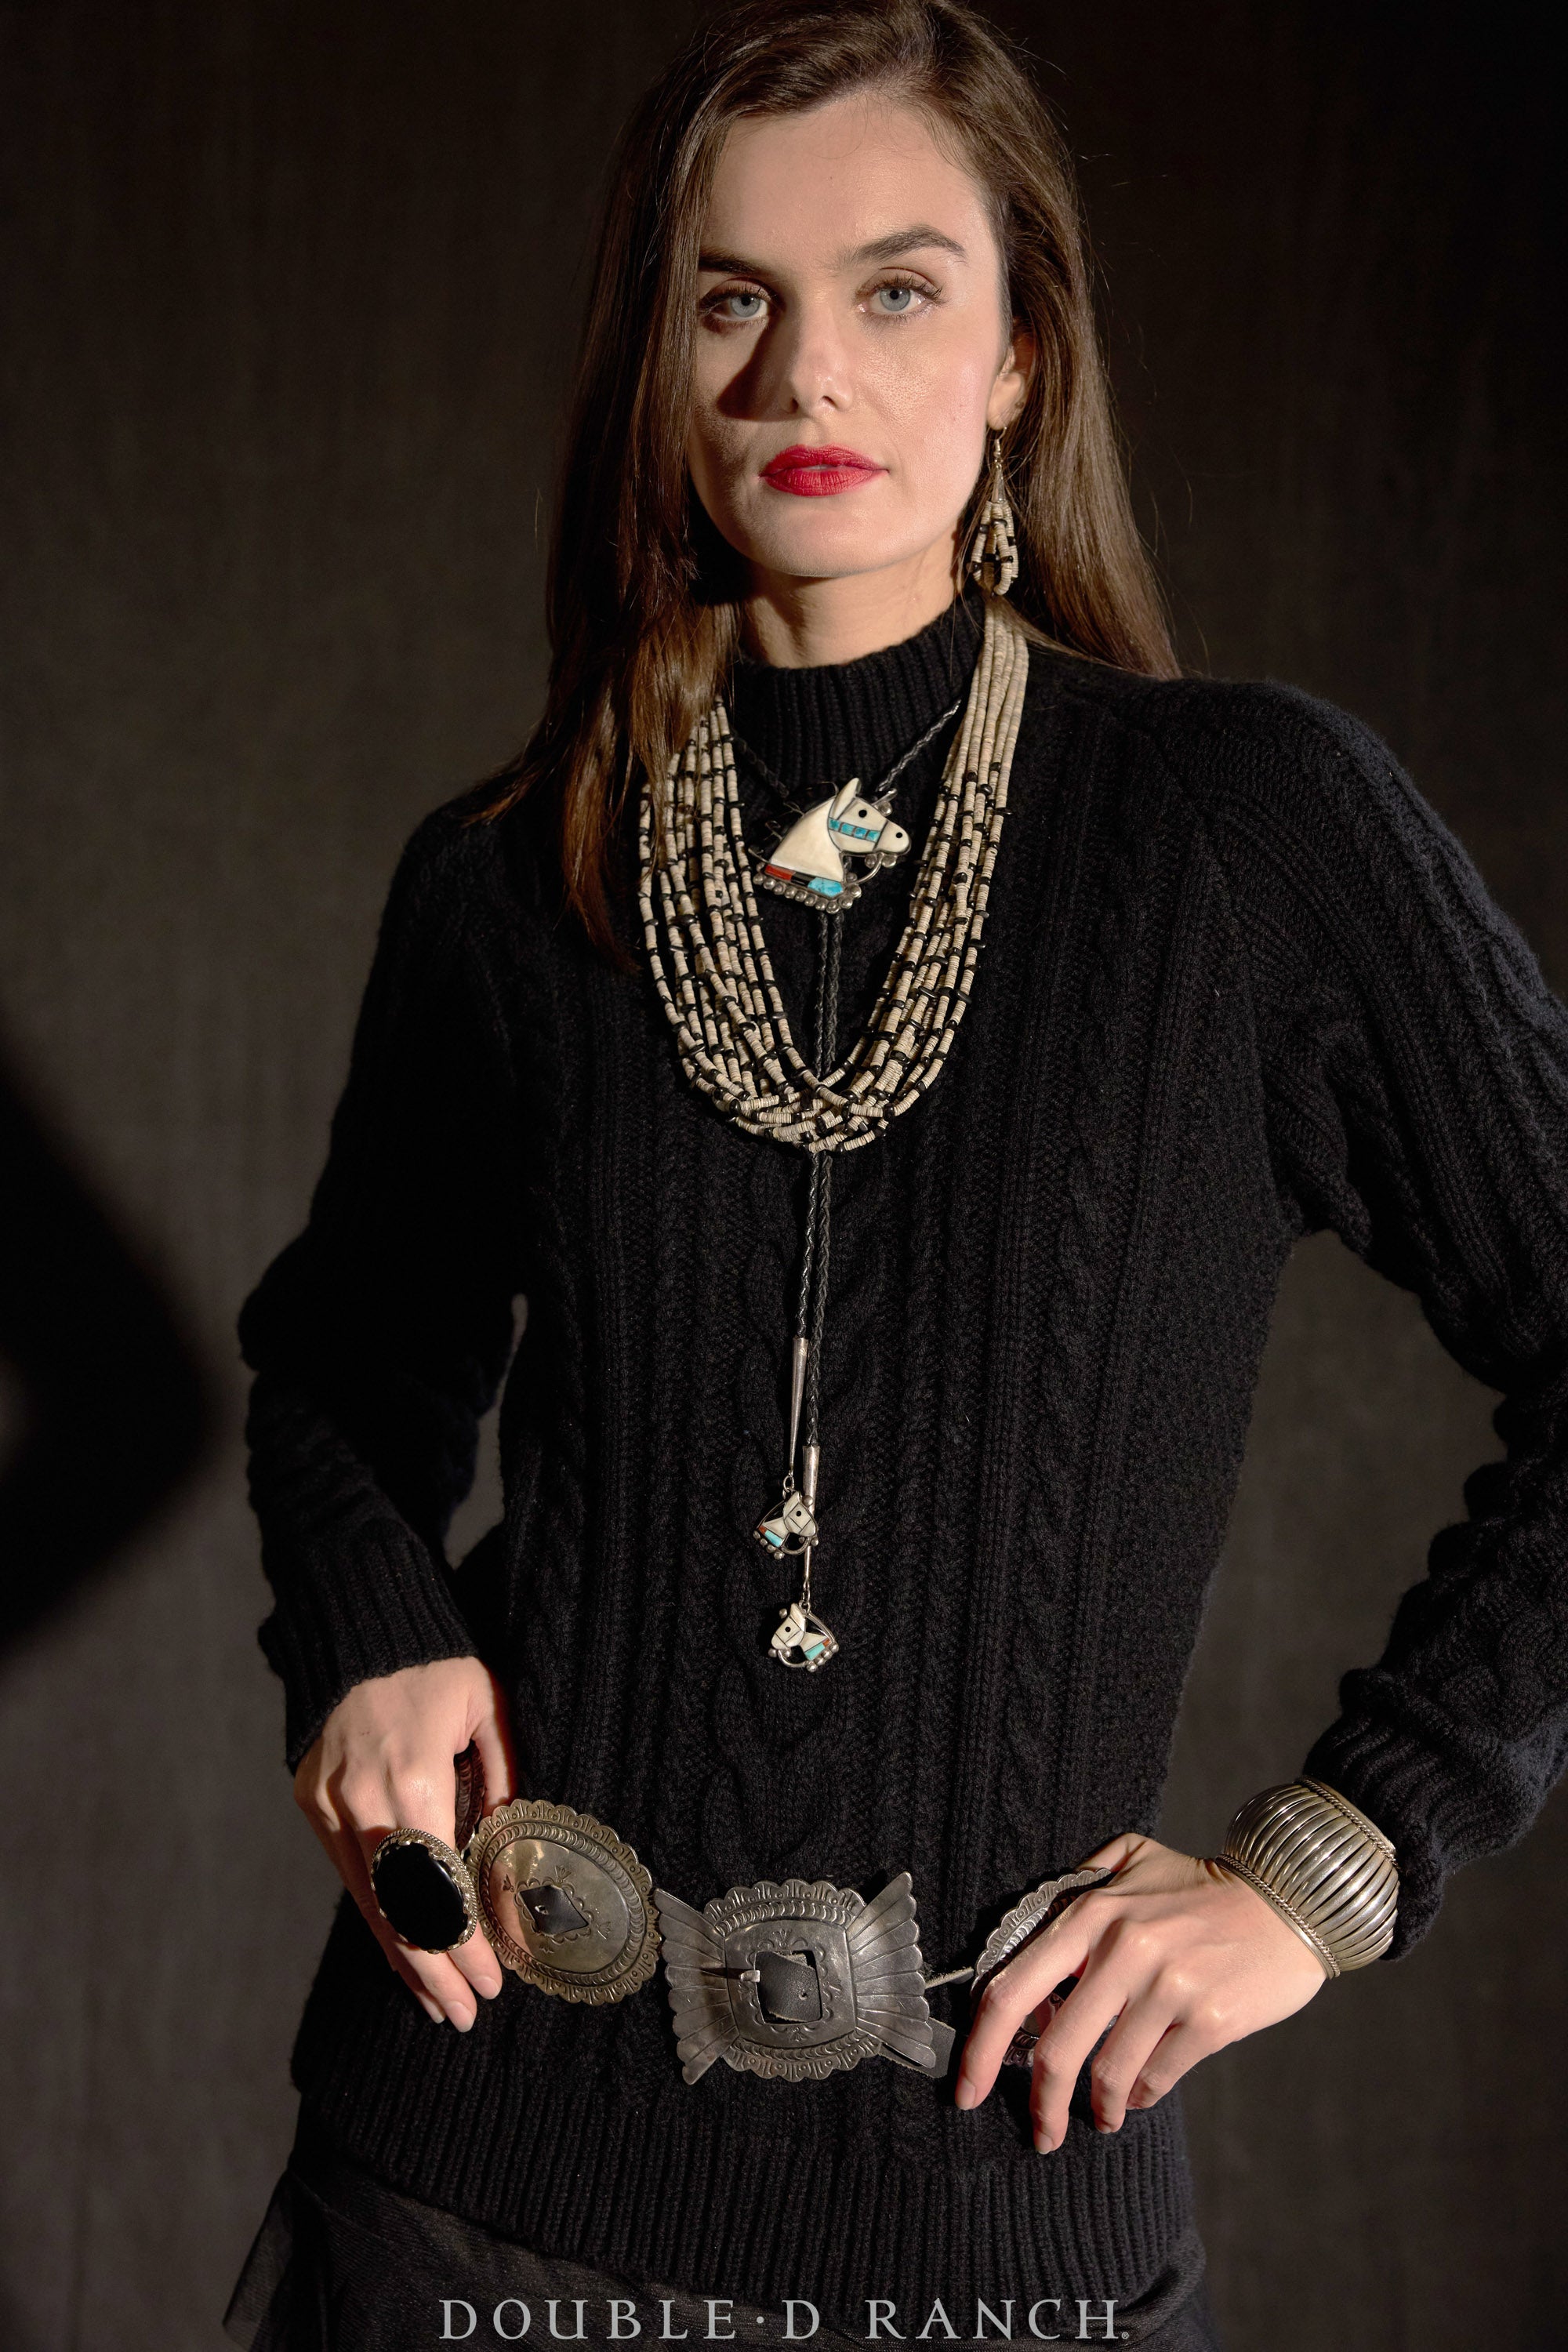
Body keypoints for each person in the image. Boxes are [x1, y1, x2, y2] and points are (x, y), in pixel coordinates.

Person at [223, 5, 1568, 2347]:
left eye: (897, 288)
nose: (803, 373)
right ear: (656, 361)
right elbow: (347, 1369)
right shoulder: (514, 881)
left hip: (996, 2228)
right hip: (466, 2184)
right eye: (729, 299)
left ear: (1025, 352)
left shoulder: (1242, 835)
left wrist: (1335, 1858)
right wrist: (365, 1623)